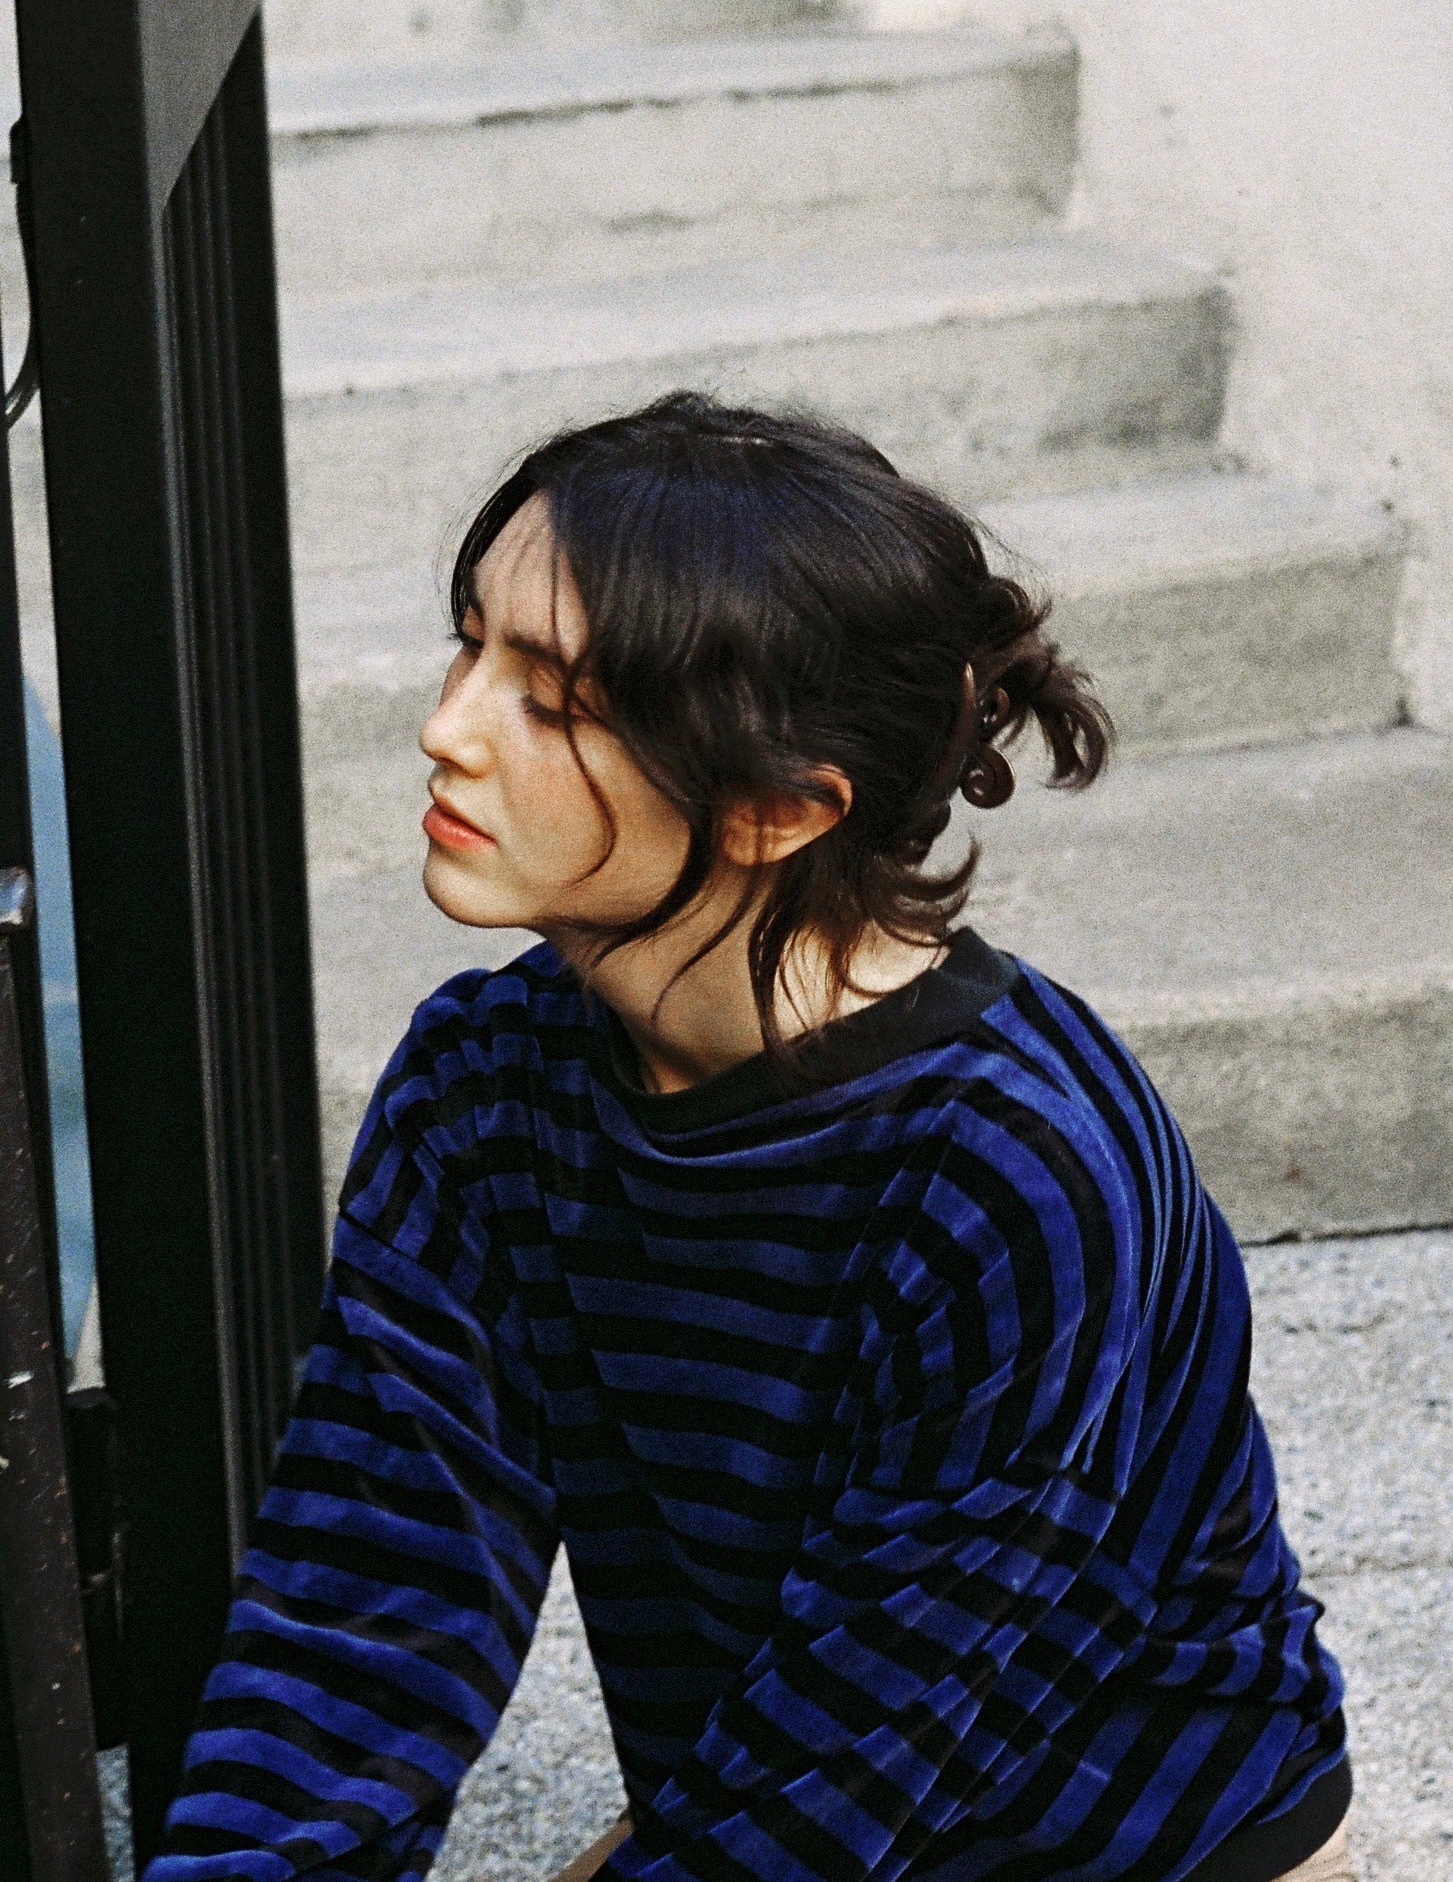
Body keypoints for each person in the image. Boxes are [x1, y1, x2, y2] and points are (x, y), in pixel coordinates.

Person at [143, 395, 1353, 1882]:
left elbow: (860, 1752)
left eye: (553, 702)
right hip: (789, 1782)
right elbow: (365, 1600)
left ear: (777, 808)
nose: (446, 729)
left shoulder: (1013, 1170)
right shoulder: (483, 1085)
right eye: (470, 647)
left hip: (1122, 1845)